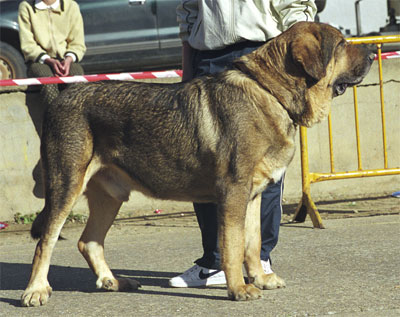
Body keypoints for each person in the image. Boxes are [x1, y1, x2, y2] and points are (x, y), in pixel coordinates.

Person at [170, 0, 317, 288]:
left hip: (264, 52)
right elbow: (188, 10)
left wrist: (295, 64)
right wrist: (187, 69)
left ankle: (259, 259)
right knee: (207, 162)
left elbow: (297, 8)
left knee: (267, 166)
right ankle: (215, 263)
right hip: (209, 55)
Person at [18, 0, 86, 106]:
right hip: (39, 61)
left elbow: (78, 43)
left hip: (66, 59)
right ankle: (53, 119)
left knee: (77, 79)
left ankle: (75, 119)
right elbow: (28, 45)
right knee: (48, 83)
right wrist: (47, 60)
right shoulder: (26, 7)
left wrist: (69, 59)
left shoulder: (71, 6)